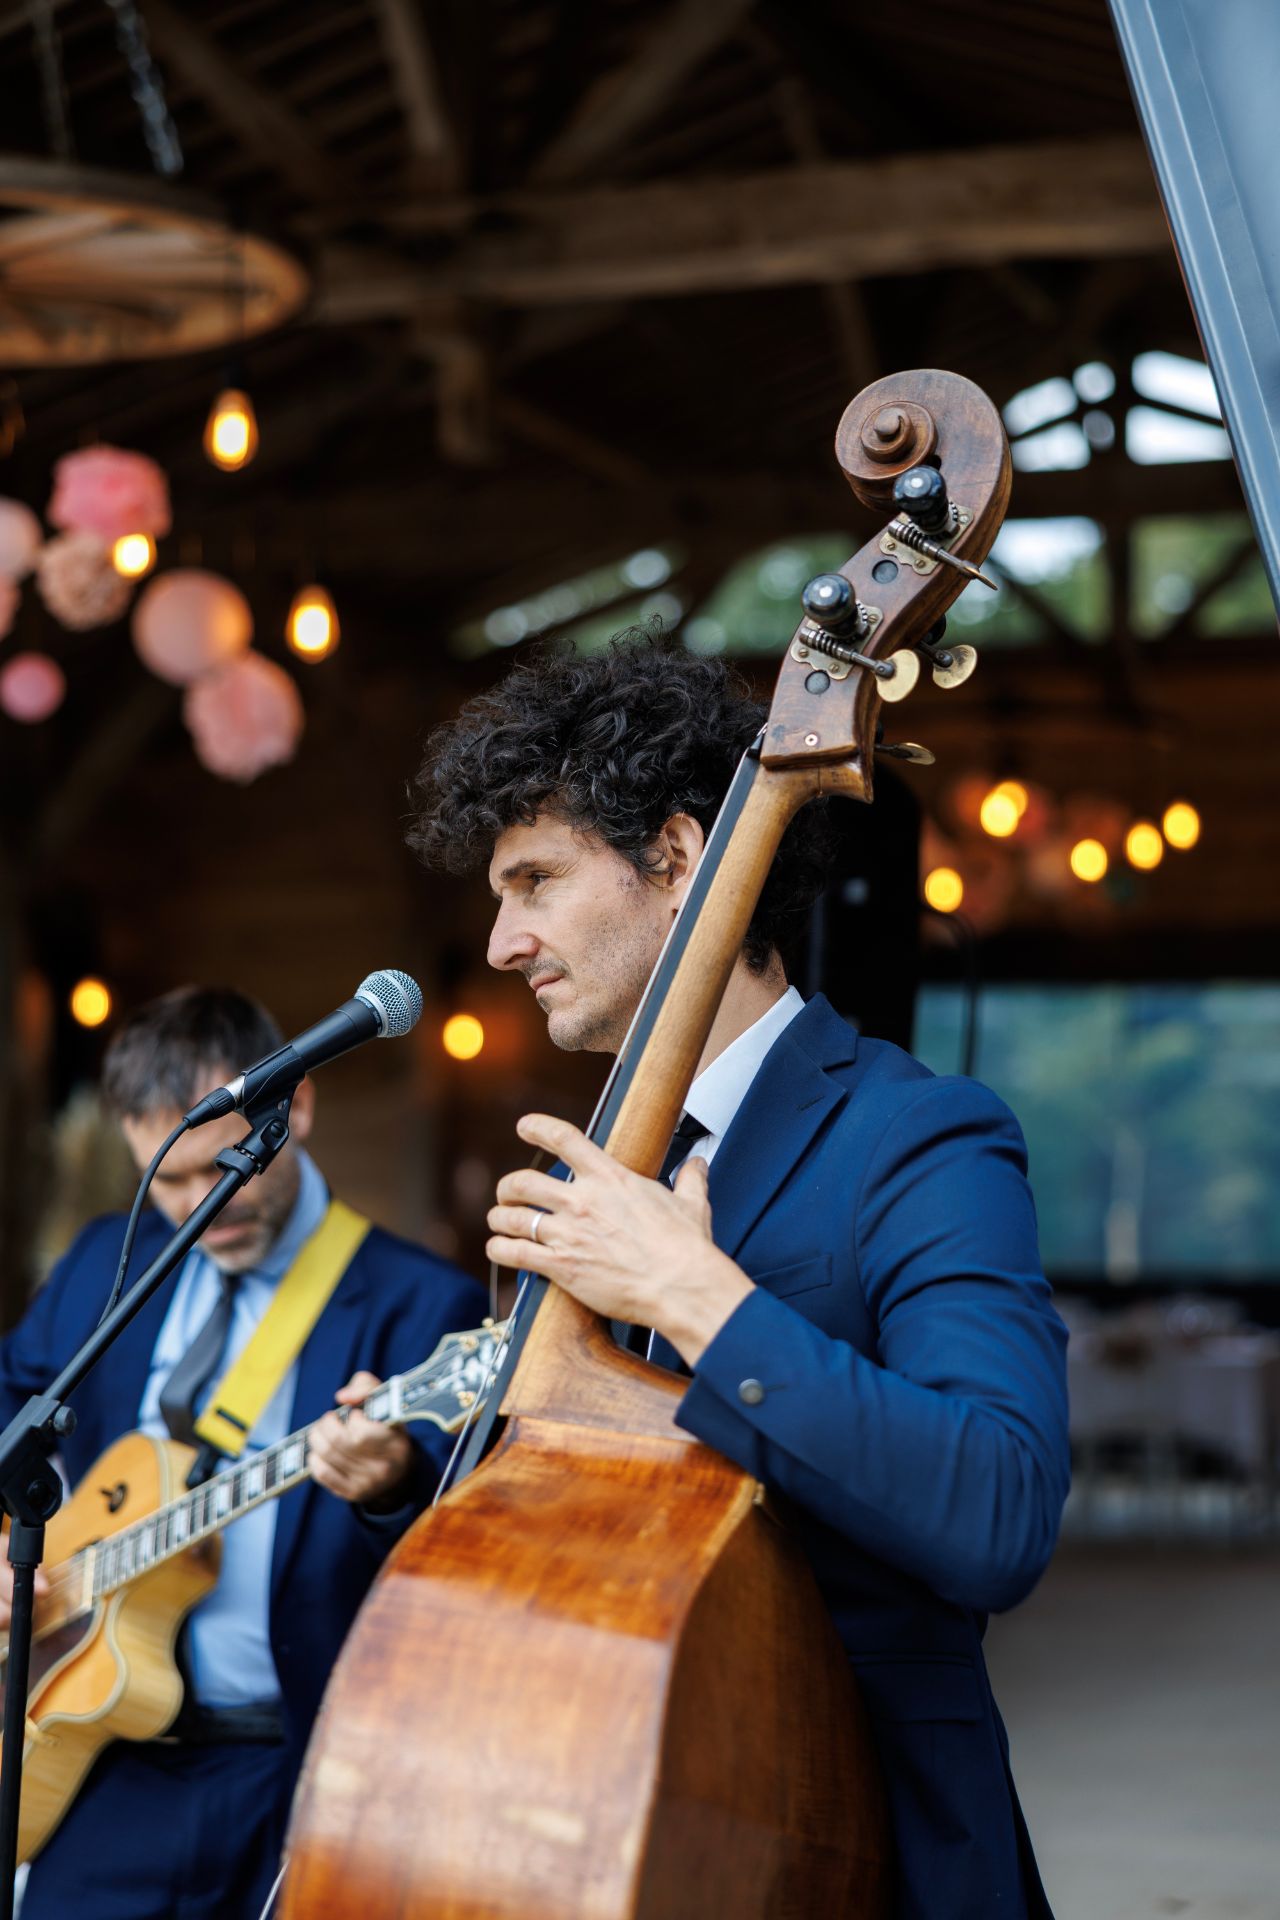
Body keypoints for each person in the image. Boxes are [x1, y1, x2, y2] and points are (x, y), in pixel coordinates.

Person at [408, 637, 1071, 1920]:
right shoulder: (608, 1159)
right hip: (609, 1814)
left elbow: (999, 1510)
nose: (500, 940)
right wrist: (413, 1473)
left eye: (534, 881)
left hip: (852, 1842)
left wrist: (695, 1298)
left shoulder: (917, 1132)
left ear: (673, 858)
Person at [0, 987, 486, 1920]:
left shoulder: (423, 1304)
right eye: (167, 1180)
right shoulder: (110, 1255)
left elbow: (469, 1560)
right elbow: (14, 1400)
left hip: (298, 1770)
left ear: (294, 1106)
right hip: (105, 1755)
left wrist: (391, 1489)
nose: (197, 1209)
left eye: (217, 1170)